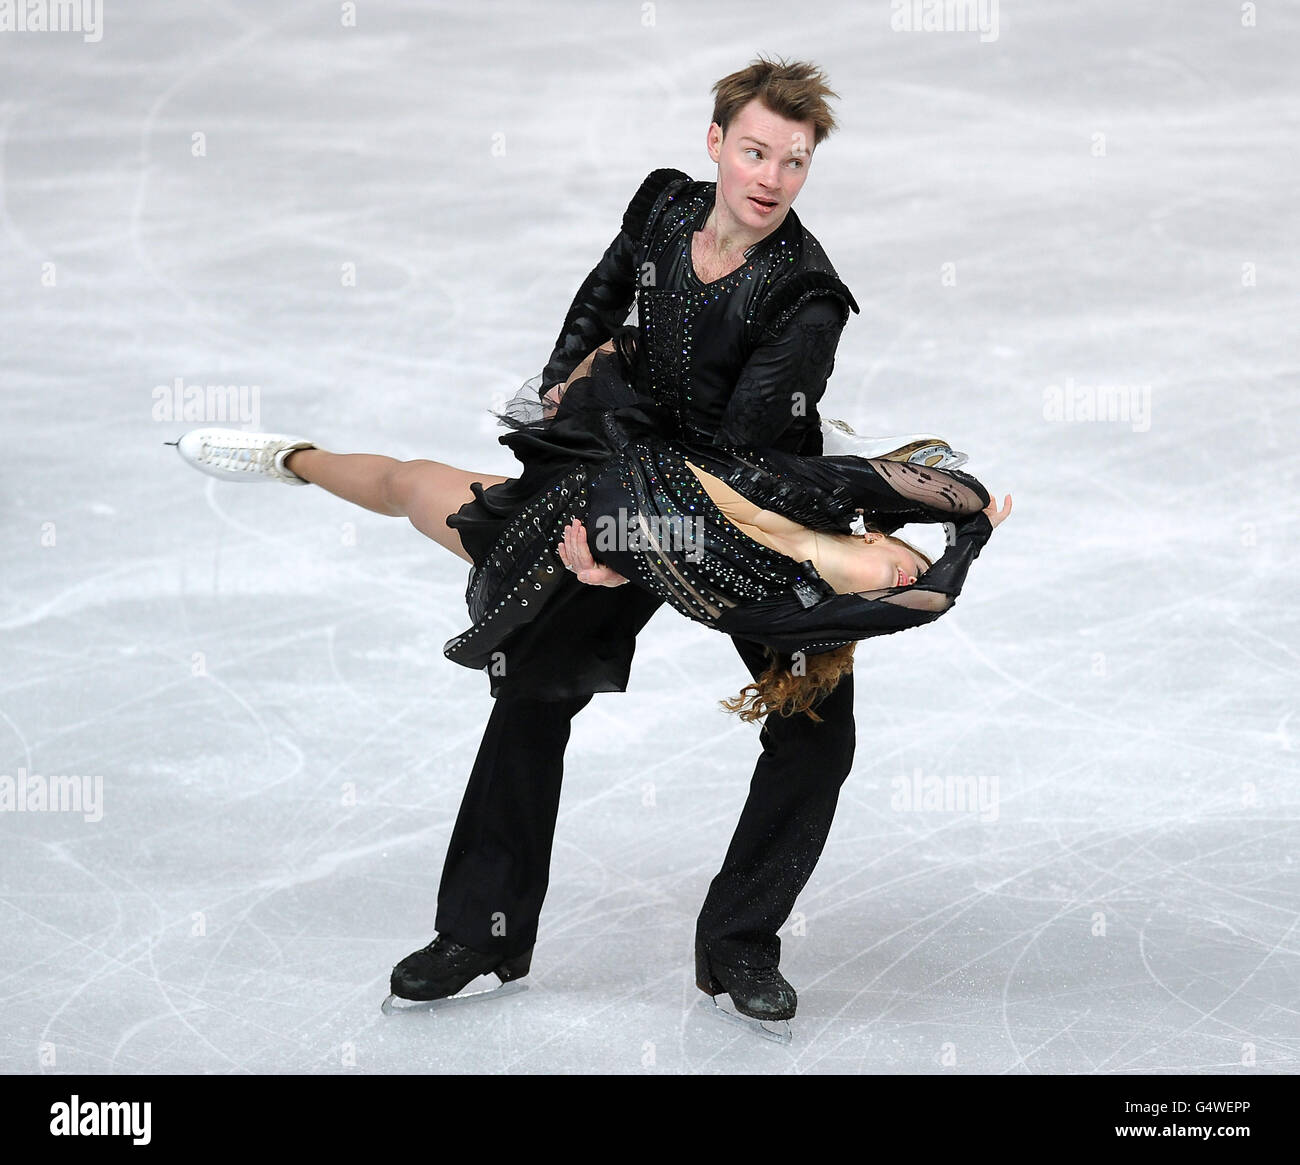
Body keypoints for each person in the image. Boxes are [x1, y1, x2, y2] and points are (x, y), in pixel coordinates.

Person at [172, 328, 1011, 1019]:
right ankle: (293, 457)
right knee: (437, 534)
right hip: (631, 448)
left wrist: (622, 555)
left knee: (820, 737)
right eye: (906, 556)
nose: (907, 570)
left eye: (901, 581)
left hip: (625, 532)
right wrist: (972, 524)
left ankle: (739, 942)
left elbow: (929, 598)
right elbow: (954, 494)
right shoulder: (835, 486)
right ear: (880, 531)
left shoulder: (783, 607)